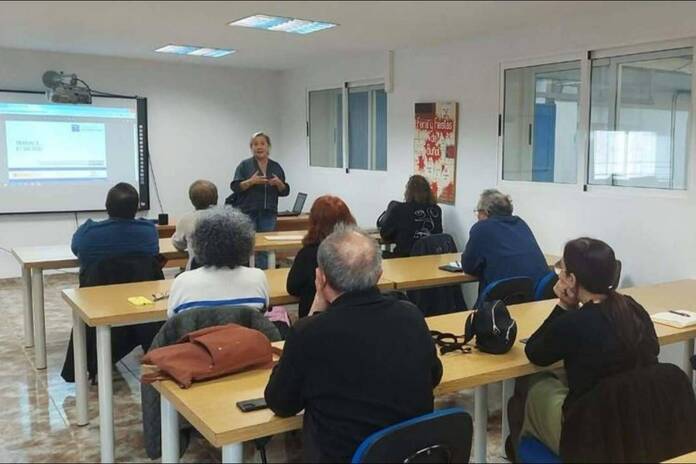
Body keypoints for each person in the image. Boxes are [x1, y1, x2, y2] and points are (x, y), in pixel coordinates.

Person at [265, 225, 443, 462]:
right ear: (379, 275)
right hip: (410, 456)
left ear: (321, 278)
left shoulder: (309, 333)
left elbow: (280, 403)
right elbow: (434, 375)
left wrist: (315, 309)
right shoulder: (411, 315)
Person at [515, 237, 658, 455]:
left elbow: (535, 352)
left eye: (562, 270)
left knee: (537, 385)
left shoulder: (575, 322)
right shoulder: (633, 307)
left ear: (572, 279)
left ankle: (522, 449)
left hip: (590, 433)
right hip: (638, 421)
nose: (559, 274)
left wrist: (564, 305)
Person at [167, 207, 269, 317]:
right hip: (244, 328)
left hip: (198, 328)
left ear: (198, 244)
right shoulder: (258, 278)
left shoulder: (182, 282)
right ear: (246, 244)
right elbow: (263, 312)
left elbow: (173, 318)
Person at [461, 189, 548, 291]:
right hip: (537, 294)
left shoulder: (481, 228)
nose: (477, 217)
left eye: (477, 212)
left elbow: (468, 267)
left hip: (504, 296)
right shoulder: (520, 223)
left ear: (485, 212)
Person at [286, 195, 356, 318]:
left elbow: (293, 288)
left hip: (315, 319)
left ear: (314, 222)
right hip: (353, 316)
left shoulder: (308, 254)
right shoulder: (356, 251)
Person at [230, 132, 290, 269]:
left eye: (262, 143)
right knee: (247, 245)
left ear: (268, 147)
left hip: (269, 213)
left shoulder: (276, 167)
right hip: (248, 212)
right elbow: (235, 187)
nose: (259, 147)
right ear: (251, 148)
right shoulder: (244, 165)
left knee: (265, 246)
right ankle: (245, 272)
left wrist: (279, 184)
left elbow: (285, 191)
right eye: (255, 144)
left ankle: (264, 272)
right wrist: (250, 182)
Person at [71, 182, 159, 269]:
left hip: (101, 279)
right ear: (136, 208)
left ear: (107, 206)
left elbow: (76, 249)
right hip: (141, 279)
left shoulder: (87, 233)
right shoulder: (149, 231)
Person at [378, 174, 443, 258]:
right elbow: (438, 234)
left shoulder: (400, 209)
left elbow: (385, 234)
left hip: (404, 258)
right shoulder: (436, 210)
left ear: (408, 191)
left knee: (378, 254)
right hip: (430, 259)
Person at [171, 179, 218, 269]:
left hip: (196, 270)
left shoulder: (186, 219)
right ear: (216, 198)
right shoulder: (229, 219)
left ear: (192, 200)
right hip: (226, 272)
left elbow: (179, 245)